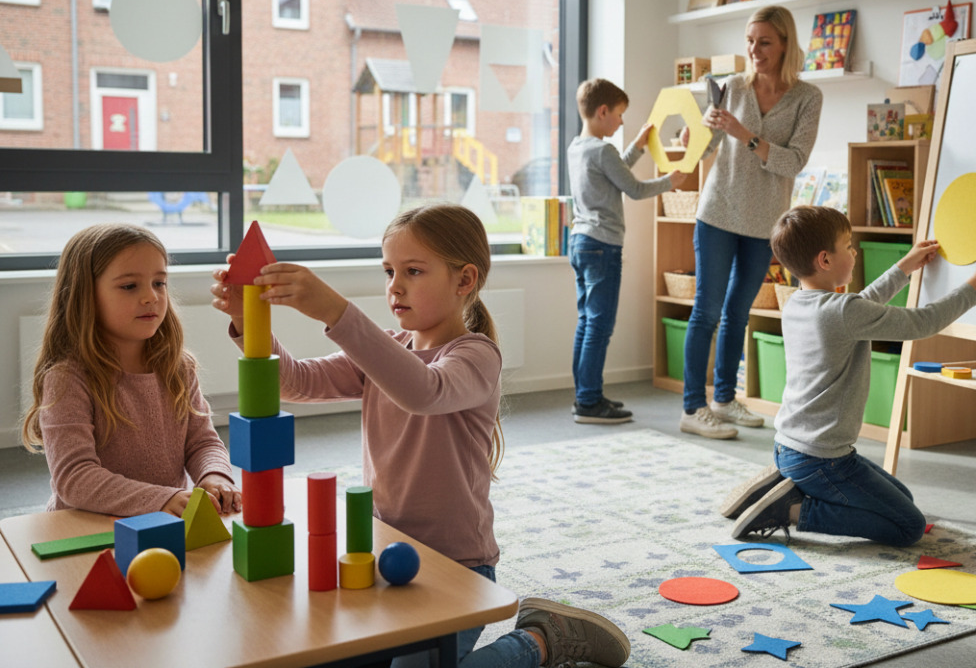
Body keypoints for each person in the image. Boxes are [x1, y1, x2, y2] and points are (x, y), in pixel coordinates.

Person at [210, 204, 629, 668]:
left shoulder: (476, 355)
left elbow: (423, 391)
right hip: (383, 553)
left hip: (458, 568)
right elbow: (294, 382)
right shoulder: (386, 349)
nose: (395, 285)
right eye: (389, 270)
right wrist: (247, 319)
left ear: (464, 280)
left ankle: (542, 638)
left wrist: (334, 310)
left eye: (413, 271)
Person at [728, 205, 976, 545]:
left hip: (795, 447)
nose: (855, 252)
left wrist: (903, 268)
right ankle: (791, 510)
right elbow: (922, 322)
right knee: (908, 526)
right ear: (825, 260)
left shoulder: (799, 303)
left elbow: (861, 305)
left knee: (902, 497)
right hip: (822, 460)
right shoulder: (843, 312)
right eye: (848, 246)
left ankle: (785, 486)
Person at [21, 223, 240, 518]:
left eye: (159, 283)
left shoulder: (178, 367)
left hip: (161, 522)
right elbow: (74, 478)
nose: (151, 297)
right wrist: (162, 499)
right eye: (129, 286)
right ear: (86, 296)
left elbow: (202, 442)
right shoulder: (67, 379)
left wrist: (215, 476)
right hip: (87, 527)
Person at [679, 4, 823, 439]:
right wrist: (696, 135)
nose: (754, 50)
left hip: (766, 221)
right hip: (719, 211)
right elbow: (705, 152)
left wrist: (747, 136)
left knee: (738, 313)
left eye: (764, 42)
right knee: (706, 311)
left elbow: (793, 162)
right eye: (749, 41)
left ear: (784, 44)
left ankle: (723, 400)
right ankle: (692, 407)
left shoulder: (807, 98)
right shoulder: (731, 87)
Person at [569, 78, 686, 424]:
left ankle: (585, 394)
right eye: (619, 115)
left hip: (581, 241)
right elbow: (633, 188)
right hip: (603, 246)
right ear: (603, 111)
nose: (621, 122)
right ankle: (589, 402)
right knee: (599, 327)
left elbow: (614, 174)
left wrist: (637, 147)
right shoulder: (603, 151)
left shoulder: (579, 147)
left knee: (587, 323)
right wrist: (671, 182)